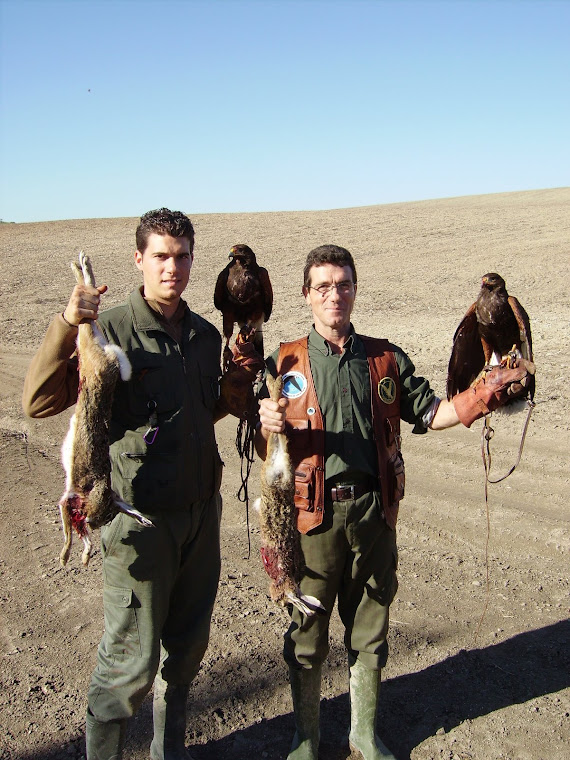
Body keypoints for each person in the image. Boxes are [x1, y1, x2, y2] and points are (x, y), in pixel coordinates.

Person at [255, 244, 534, 760]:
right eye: (322, 287)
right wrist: (266, 421)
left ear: (355, 289)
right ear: (306, 295)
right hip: (311, 518)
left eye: (343, 285)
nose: (334, 295)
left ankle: (362, 735)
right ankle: (305, 737)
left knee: (370, 628)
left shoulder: (386, 358)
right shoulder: (285, 360)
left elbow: (431, 413)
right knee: (307, 632)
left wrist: (482, 396)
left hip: (374, 514)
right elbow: (260, 434)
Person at [22, 208, 261, 760]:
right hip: (138, 521)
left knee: (185, 654)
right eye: (160, 256)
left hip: (201, 516)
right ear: (139, 260)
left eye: (182, 256)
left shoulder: (204, 336)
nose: (172, 268)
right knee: (129, 663)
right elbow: (38, 402)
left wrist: (237, 386)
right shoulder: (109, 332)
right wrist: (65, 321)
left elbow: (201, 411)